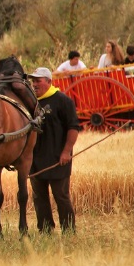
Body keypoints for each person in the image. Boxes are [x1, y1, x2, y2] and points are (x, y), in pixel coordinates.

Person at [27, 67, 80, 233]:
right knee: (39, 197)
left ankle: (69, 230)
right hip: (35, 159)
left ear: (49, 82)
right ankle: (45, 229)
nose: (34, 84)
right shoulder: (29, 103)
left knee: (61, 196)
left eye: (38, 80)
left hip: (58, 158)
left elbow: (73, 128)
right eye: (33, 81)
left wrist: (66, 152)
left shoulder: (63, 101)